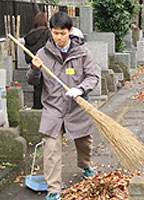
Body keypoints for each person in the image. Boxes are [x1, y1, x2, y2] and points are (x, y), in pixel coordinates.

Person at [26, 11, 99, 200]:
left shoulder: (82, 53)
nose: (59, 37)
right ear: (50, 31)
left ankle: (85, 165)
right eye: (55, 33)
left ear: (70, 31)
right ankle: (53, 189)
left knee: (84, 142)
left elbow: (93, 76)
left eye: (62, 33)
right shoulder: (42, 54)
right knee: (51, 149)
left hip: (76, 106)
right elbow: (33, 81)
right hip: (53, 108)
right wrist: (34, 68)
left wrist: (81, 89)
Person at [24, 13, 51, 109]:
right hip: (46, 64)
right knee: (48, 86)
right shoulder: (47, 33)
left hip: (34, 64)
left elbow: (26, 55)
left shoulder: (28, 36)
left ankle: (37, 107)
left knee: (37, 87)